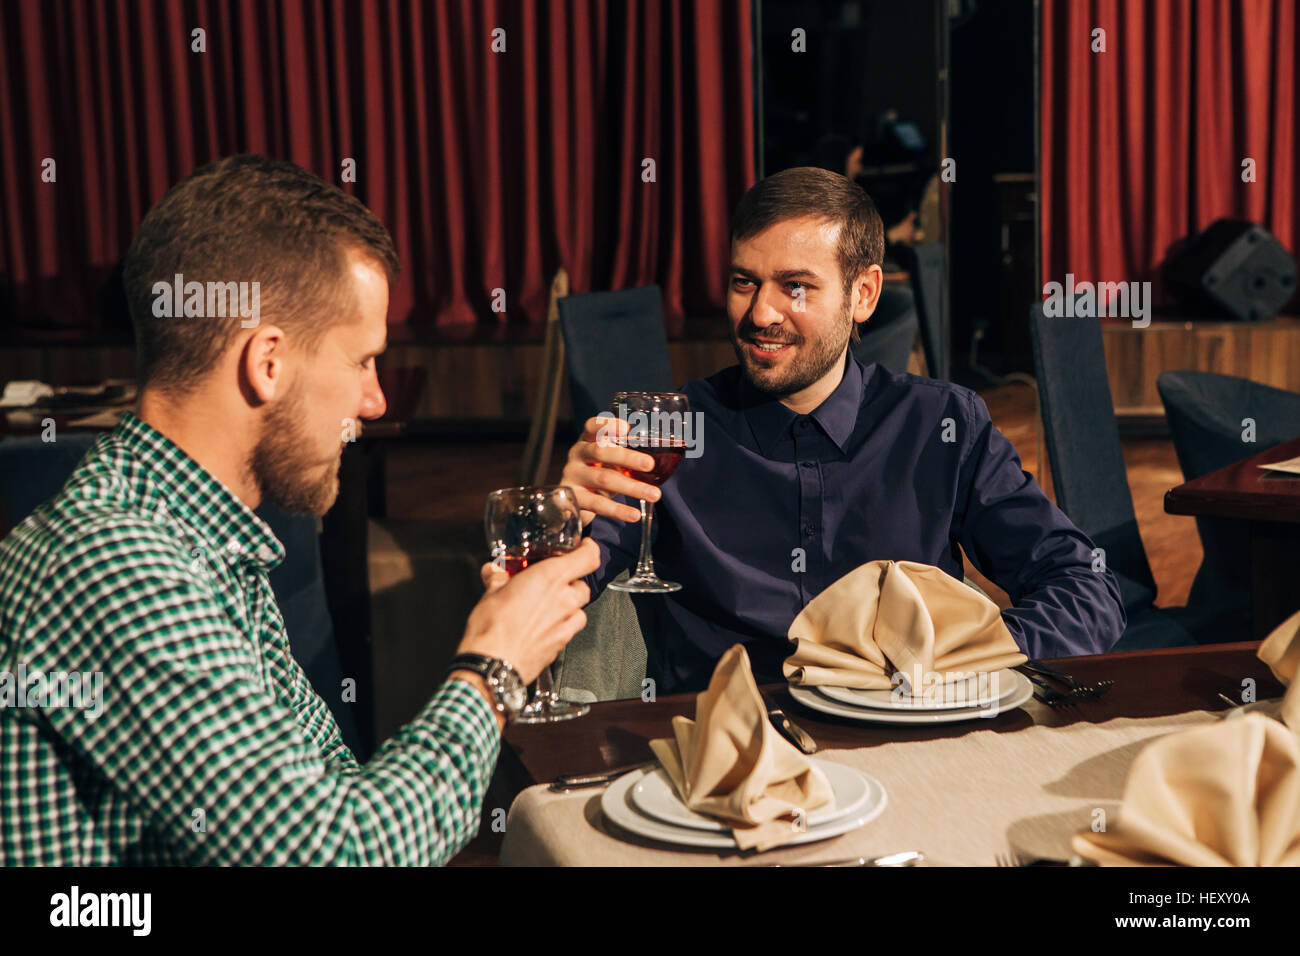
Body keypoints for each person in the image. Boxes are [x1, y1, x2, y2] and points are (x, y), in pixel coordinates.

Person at [0, 155, 598, 865]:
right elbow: (336, 856)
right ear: (269, 362)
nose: (374, 401)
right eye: (361, 362)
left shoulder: (205, 540)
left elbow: (333, 796)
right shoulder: (116, 563)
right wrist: (492, 668)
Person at [560, 166, 1125, 695]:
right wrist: (567, 519)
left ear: (864, 295)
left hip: (909, 745)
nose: (761, 314)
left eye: (795, 287)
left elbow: (1085, 588)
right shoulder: (664, 431)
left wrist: (964, 659)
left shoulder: (942, 425)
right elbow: (557, 598)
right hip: (728, 757)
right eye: (744, 281)